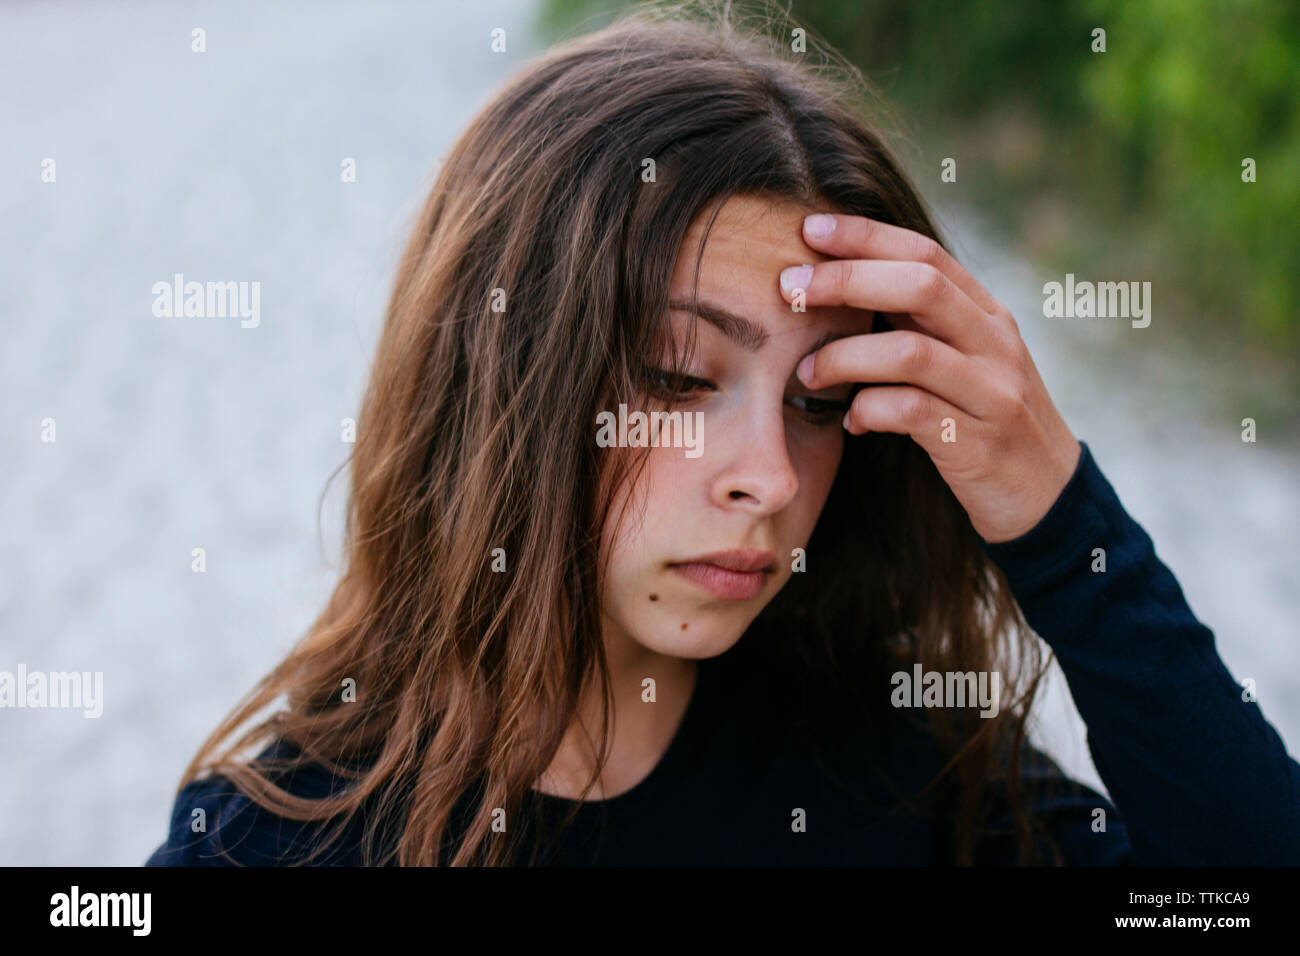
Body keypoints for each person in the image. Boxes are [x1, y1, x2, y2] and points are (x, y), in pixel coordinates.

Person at [145, 2, 1300, 867]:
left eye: (817, 401)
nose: (770, 478)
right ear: (502, 375)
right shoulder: (264, 839)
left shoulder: (897, 772)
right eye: (678, 375)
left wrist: (1056, 519)